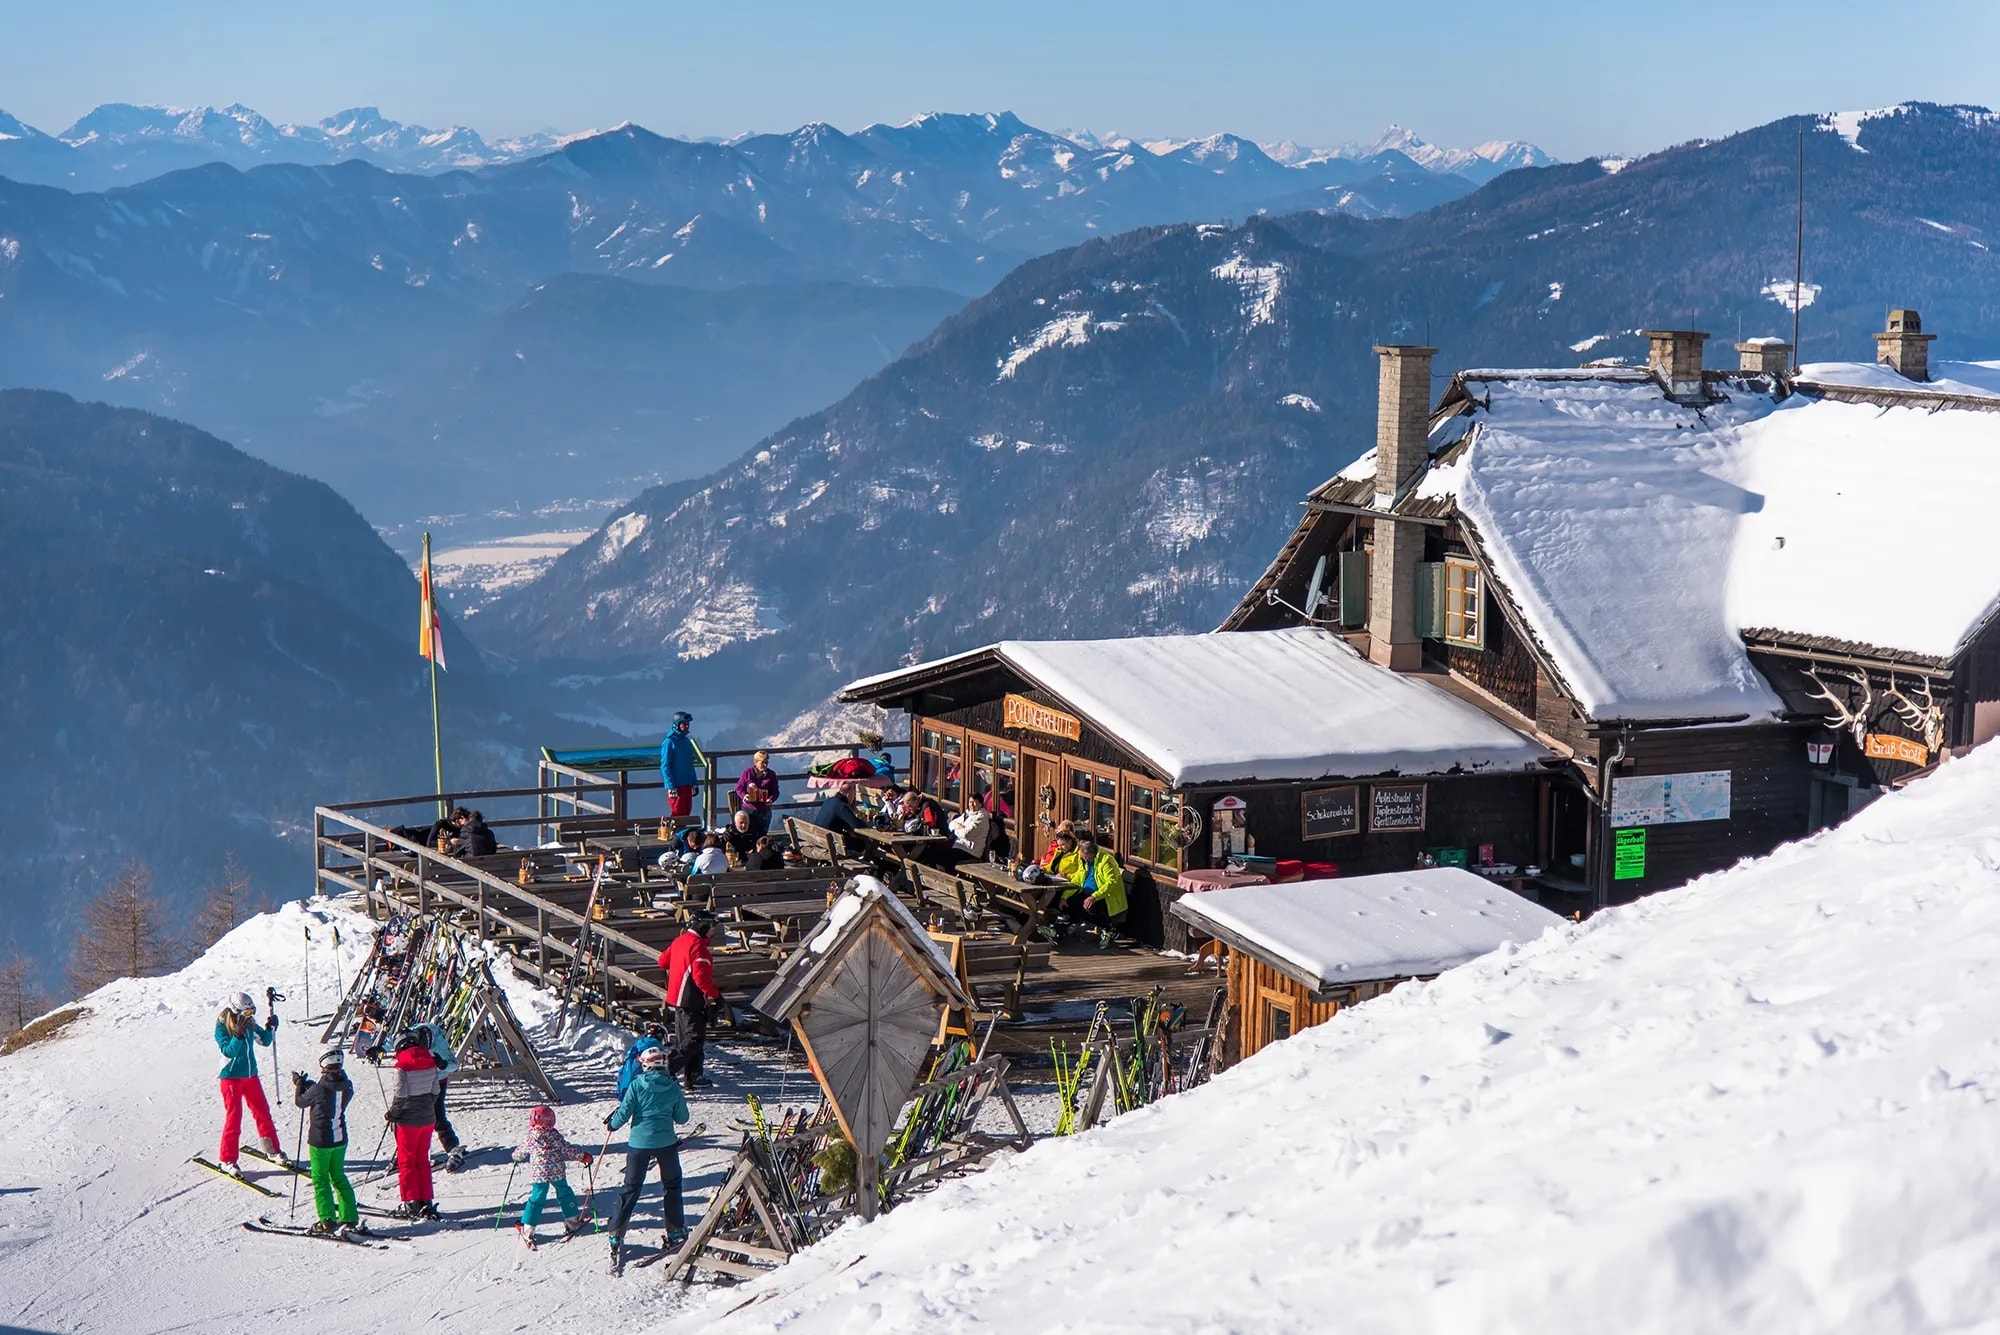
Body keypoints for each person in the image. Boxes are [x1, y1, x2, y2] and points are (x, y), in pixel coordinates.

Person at [604, 1045, 692, 1273]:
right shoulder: (672, 1087)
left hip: (639, 1144)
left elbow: (624, 1112)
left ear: (644, 1064)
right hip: (666, 1144)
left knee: (631, 1187)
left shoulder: (636, 1085)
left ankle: (616, 1233)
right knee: (672, 1185)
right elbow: (683, 1118)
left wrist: (612, 1125)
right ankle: (675, 1229)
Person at [214, 990, 284, 1176]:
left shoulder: (249, 1023)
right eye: (246, 1013)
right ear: (236, 1010)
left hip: (250, 1075)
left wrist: (271, 1028)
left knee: (263, 1112)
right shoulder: (222, 1027)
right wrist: (237, 1036)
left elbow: (266, 1041)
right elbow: (228, 1052)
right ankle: (227, 1159)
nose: (250, 1016)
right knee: (234, 1119)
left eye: (252, 1012)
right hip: (230, 1077)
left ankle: (273, 1150)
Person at [291, 1047, 360, 1238]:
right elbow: (325, 1091)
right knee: (338, 1177)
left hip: (320, 1140)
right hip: (339, 1137)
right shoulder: (347, 1085)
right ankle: (349, 1217)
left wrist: (299, 1084)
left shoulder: (319, 1088)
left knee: (320, 1179)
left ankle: (327, 1220)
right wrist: (309, 1085)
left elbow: (301, 1101)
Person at [512, 1104, 595, 1248]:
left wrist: (515, 1157)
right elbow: (567, 1149)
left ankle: (528, 1228)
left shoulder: (530, 1137)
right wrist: (583, 1156)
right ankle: (572, 1221)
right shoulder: (554, 1135)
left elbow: (520, 1152)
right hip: (557, 1172)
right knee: (564, 1194)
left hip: (539, 1174)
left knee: (537, 1199)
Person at [657, 914, 722, 1089]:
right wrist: (717, 996)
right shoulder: (699, 948)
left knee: (686, 1039)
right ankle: (666, 1069)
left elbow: (662, 961)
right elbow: (701, 979)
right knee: (694, 1039)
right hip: (690, 998)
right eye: (711, 928)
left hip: (677, 997)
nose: (713, 932)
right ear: (702, 927)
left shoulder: (680, 941)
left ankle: (693, 1077)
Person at [384, 1027, 441, 1220]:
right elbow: (435, 1091)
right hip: (427, 1118)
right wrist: (426, 1107)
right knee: (422, 1159)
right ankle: (426, 1200)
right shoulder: (430, 1061)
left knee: (407, 1161)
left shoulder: (402, 1065)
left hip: (408, 1121)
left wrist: (393, 1113)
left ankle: (411, 1201)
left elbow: (400, 1095)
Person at [414, 1019, 465, 1172]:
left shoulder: (439, 1043)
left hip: (438, 1080)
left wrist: (442, 1064)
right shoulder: (411, 1034)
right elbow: (394, 1039)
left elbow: (454, 1065)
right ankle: (412, 1152)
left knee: (437, 1117)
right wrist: (379, 1047)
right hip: (419, 1078)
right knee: (413, 1116)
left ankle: (453, 1149)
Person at [1059, 836, 1130, 946]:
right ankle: (1069, 925)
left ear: (1090, 853)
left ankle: (1108, 928)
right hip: (1087, 892)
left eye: (1085, 857)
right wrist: (1065, 896)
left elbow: (1111, 883)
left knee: (1088, 908)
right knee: (1070, 902)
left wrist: (1094, 897)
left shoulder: (1106, 860)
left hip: (1106, 897)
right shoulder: (1085, 862)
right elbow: (1078, 879)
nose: (1084, 859)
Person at [659, 712, 700, 822]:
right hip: (676, 786)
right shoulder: (669, 742)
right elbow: (665, 766)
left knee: (686, 813)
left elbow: (690, 765)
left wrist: (694, 782)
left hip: (687, 784)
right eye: (684, 724)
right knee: (677, 814)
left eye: (688, 724)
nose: (687, 726)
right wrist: (671, 786)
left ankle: (682, 837)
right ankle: (674, 836)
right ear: (677, 724)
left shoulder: (686, 741)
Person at [734, 751, 780, 839]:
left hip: (764, 809)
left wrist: (771, 799)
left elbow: (775, 791)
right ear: (755, 762)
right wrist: (744, 796)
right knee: (747, 835)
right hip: (749, 808)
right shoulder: (747, 772)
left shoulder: (771, 774)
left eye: (767, 762)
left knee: (762, 836)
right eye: (763, 762)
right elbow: (739, 788)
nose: (765, 765)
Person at [615, 1023, 669, 1097]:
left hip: (625, 1093)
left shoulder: (634, 1050)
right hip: (650, 1097)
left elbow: (621, 1073)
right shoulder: (658, 1053)